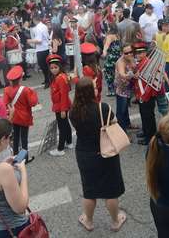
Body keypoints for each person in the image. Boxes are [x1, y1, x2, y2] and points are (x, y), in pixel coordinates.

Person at [69, 77, 126, 232]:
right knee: (111, 190)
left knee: (89, 190)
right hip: (106, 150)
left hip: (84, 153)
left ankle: (88, 220)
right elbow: (114, 122)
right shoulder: (103, 108)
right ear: (90, 91)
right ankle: (115, 221)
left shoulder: (73, 111)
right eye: (94, 87)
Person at [3, 66, 38, 158]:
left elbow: (5, 103)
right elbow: (33, 103)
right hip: (24, 117)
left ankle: (15, 156)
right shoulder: (26, 90)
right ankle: (24, 158)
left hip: (14, 117)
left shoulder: (7, 90)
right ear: (20, 78)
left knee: (15, 138)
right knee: (24, 139)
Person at [133, 42, 160, 145]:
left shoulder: (146, 63)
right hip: (142, 94)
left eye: (141, 53)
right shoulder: (142, 62)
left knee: (148, 117)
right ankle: (145, 132)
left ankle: (150, 138)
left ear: (145, 53)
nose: (138, 55)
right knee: (144, 115)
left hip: (147, 94)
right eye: (137, 53)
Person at [47, 55, 73, 156]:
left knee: (62, 126)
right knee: (65, 124)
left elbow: (63, 94)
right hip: (61, 104)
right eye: (52, 68)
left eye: (55, 67)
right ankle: (69, 142)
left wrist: (63, 109)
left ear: (60, 67)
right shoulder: (60, 76)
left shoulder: (60, 78)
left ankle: (60, 148)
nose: (53, 70)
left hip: (61, 105)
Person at [113, 43, 135, 133]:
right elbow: (122, 74)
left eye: (130, 52)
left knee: (125, 108)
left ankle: (128, 124)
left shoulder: (131, 58)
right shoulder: (120, 62)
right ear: (122, 53)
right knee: (121, 111)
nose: (129, 54)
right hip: (121, 89)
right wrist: (131, 74)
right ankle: (122, 132)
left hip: (128, 88)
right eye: (126, 53)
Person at [29, 15, 51, 88]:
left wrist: (30, 41)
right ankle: (47, 79)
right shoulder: (44, 26)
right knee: (45, 66)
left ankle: (48, 81)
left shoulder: (38, 28)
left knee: (43, 66)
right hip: (45, 48)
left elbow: (39, 41)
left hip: (41, 49)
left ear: (35, 20)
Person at [102, 24, 122, 97]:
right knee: (116, 73)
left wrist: (104, 53)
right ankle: (117, 89)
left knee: (109, 74)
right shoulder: (118, 36)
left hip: (111, 58)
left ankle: (111, 91)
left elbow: (106, 46)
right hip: (118, 57)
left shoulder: (110, 36)